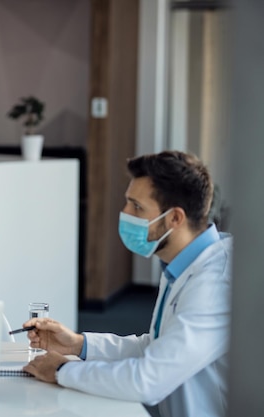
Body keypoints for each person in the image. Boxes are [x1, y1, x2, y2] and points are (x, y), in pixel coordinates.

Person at [22, 151, 232, 417]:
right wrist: (78, 344)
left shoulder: (214, 284)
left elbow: (149, 379)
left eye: (137, 207)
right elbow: (156, 347)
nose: (124, 213)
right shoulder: (182, 266)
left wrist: (63, 370)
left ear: (175, 218)